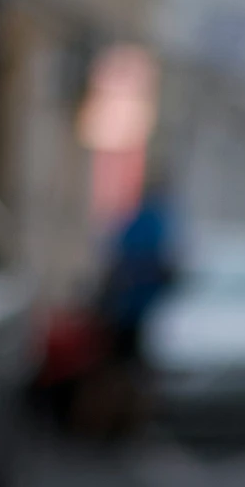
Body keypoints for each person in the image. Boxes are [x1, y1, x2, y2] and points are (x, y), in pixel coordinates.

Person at [75, 180, 178, 440]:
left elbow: (113, 261)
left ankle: (107, 421)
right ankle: (121, 421)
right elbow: (167, 268)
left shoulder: (134, 223)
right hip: (137, 311)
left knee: (114, 368)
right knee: (129, 370)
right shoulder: (159, 225)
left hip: (122, 309)